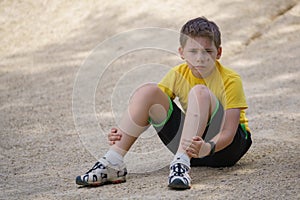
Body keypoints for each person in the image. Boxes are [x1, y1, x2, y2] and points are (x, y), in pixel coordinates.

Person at [75, 16, 252, 189]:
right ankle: (113, 162)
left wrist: (207, 146)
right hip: (192, 148)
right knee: (148, 91)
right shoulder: (177, 74)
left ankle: (181, 164)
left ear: (218, 53)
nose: (200, 58)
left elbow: (229, 132)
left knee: (200, 93)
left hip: (225, 148)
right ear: (181, 53)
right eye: (193, 51)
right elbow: (150, 108)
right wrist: (122, 132)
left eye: (207, 51)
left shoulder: (230, 79)